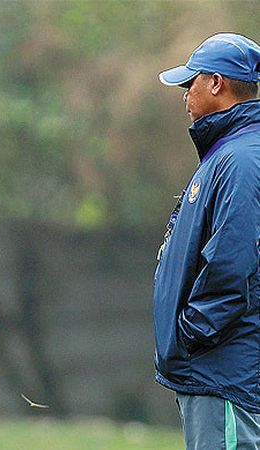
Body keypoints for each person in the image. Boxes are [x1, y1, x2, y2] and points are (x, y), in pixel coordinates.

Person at [154, 32, 260, 449]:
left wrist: (191, 334)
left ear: (216, 83)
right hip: (214, 370)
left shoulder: (241, 160)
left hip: (224, 373)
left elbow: (232, 264)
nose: (184, 95)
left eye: (189, 83)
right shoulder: (230, 152)